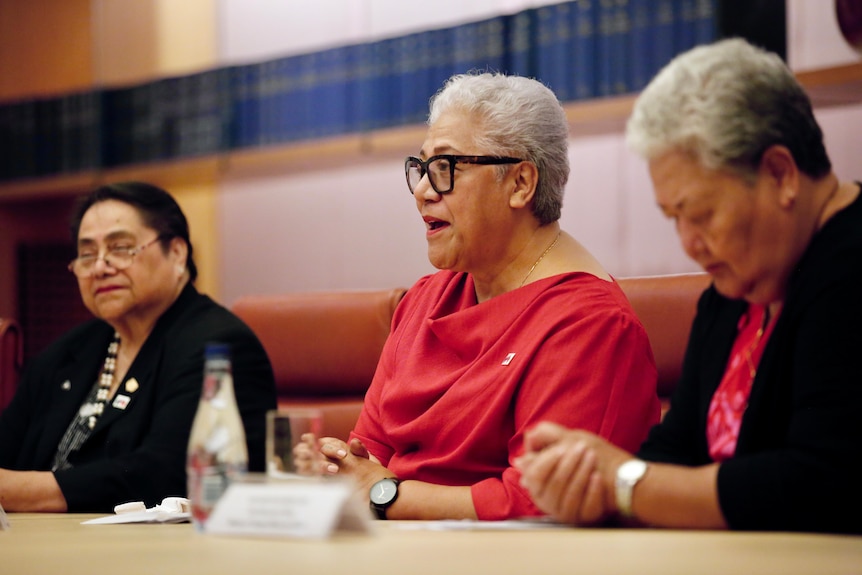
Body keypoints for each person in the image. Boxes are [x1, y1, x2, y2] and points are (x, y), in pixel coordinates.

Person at [516, 38, 862, 534]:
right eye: (673, 217)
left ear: (781, 174)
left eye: (700, 214)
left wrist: (627, 482)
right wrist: (592, 482)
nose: (689, 243)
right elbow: (673, 451)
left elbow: (822, 483)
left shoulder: (848, 269)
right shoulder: (733, 294)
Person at [310, 72, 660, 520]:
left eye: (446, 168)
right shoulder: (424, 299)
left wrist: (388, 497)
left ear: (520, 184)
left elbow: (540, 505)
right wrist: (333, 467)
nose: (421, 192)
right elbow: (367, 456)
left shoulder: (590, 324)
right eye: (421, 168)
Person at [0, 181, 277, 513]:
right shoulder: (68, 352)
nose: (100, 267)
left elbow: (166, 474)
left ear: (176, 254)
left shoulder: (217, 345)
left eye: (120, 247)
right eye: (87, 254)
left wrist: (15, 491)